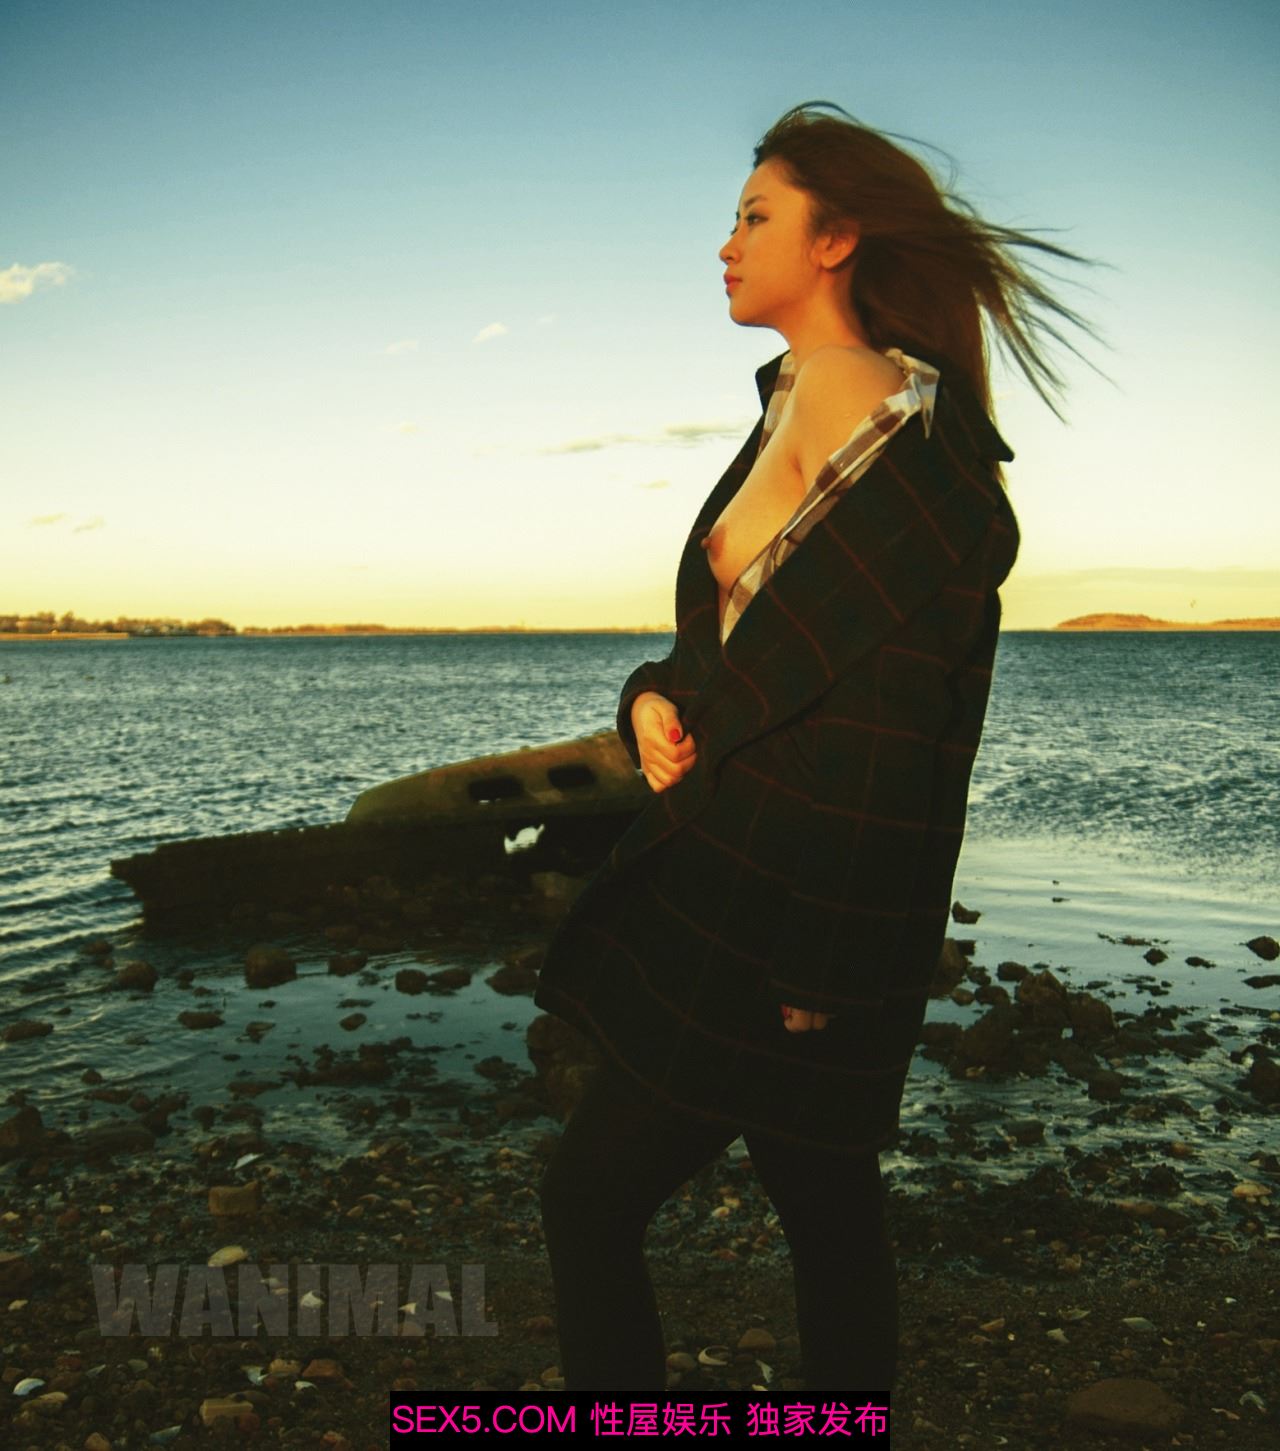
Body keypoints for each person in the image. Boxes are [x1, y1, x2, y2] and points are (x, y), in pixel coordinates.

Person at [532, 101, 1107, 1394]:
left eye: (755, 217)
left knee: (598, 1201)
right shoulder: (792, 401)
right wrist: (648, 704)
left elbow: (899, 743)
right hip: (734, 879)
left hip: (786, 916)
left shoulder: (908, 442)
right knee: (827, 1210)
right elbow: (729, 650)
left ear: (837, 238)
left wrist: (828, 967)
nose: (725, 244)